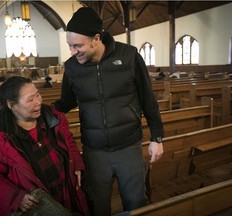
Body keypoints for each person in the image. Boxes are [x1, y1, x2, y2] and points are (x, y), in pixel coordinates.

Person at [53, 7, 164, 216]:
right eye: (69, 46)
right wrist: (40, 110)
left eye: (78, 45)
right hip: (94, 152)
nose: (72, 52)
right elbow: (66, 102)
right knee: (97, 205)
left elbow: (148, 99)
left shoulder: (129, 56)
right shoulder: (72, 67)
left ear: (96, 38)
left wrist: (157, 137)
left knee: (135, 204)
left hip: (129, 147)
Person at [0, 76, 89, 216]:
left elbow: (68, 141)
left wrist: (76, 163)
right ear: (12, 105)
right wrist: (15, 198)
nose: (38, 102)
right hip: (37, 208)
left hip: (66, 195)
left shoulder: (53, 119)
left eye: (38, 95)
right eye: (30, 99)